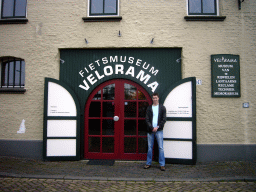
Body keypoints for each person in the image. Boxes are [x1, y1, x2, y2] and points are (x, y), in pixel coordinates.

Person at [144, 93, 166, 171]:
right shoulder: (149, 108)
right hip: (150, 130)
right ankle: (148, 163)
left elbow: (164, 119)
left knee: (161, 148)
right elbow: (146, 119)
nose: (155, 99)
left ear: (158, 98)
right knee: (150, 148)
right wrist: (151, 127)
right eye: (153, 98)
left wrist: (157, 127)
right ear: (152, 99)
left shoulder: (162, 108)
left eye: (156, 98)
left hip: (159, 130)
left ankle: (162, 164)